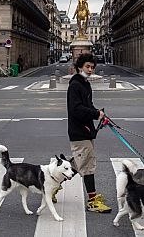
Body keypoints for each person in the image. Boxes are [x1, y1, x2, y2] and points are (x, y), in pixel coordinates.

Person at [62, 52, 111, 213]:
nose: (90, 70)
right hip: (79, 131)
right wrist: (95, 114)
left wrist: (98, 113)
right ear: (79, 68)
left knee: (77, 164)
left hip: (86, 130)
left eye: (92, 67)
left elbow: (87, 105)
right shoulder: (75, 85)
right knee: (88, 166)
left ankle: (52, 187)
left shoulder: (85, 84)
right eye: (87, 67)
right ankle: (92, 201)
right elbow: (75, 109)